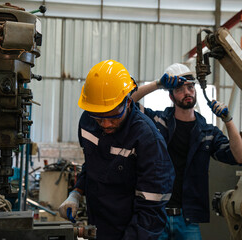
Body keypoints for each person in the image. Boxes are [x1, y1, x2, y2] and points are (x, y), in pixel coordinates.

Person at [58, 59, 175, 240]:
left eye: (113, 116)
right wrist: (76, 193)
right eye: (99, 117)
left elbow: (151, 212)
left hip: (133, 233)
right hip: (97, 228)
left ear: (128, 102)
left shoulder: (147, 140)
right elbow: (92, 166)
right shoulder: (88, 122)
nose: (105, 124)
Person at [131, 63, 242, 240]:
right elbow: (128, 103)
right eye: (180, 88)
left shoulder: (207, 132)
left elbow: (240, 157)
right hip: (155, 216)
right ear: (171, 95)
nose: (187, 92)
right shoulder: (157, 122)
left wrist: (228, 120)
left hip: (188, 219)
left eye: (191, 87)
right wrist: (158, 84)